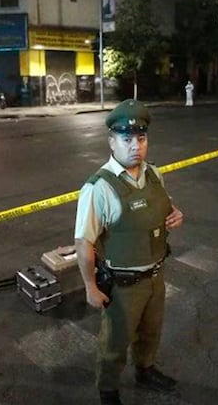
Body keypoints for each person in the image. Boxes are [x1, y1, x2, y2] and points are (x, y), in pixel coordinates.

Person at [74, 99, 184, 405]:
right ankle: (108, 391)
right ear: (112, 141)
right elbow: (83, 242)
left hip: (156, 275)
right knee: (115, 343)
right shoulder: (99, 188)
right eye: (126, 139)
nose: (135, 146)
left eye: (141, 138)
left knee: (151, 331)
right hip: (123, 285)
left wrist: (176, 214)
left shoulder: (154, 175)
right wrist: (90, 287)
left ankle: (145, 370)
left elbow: (163, 205)